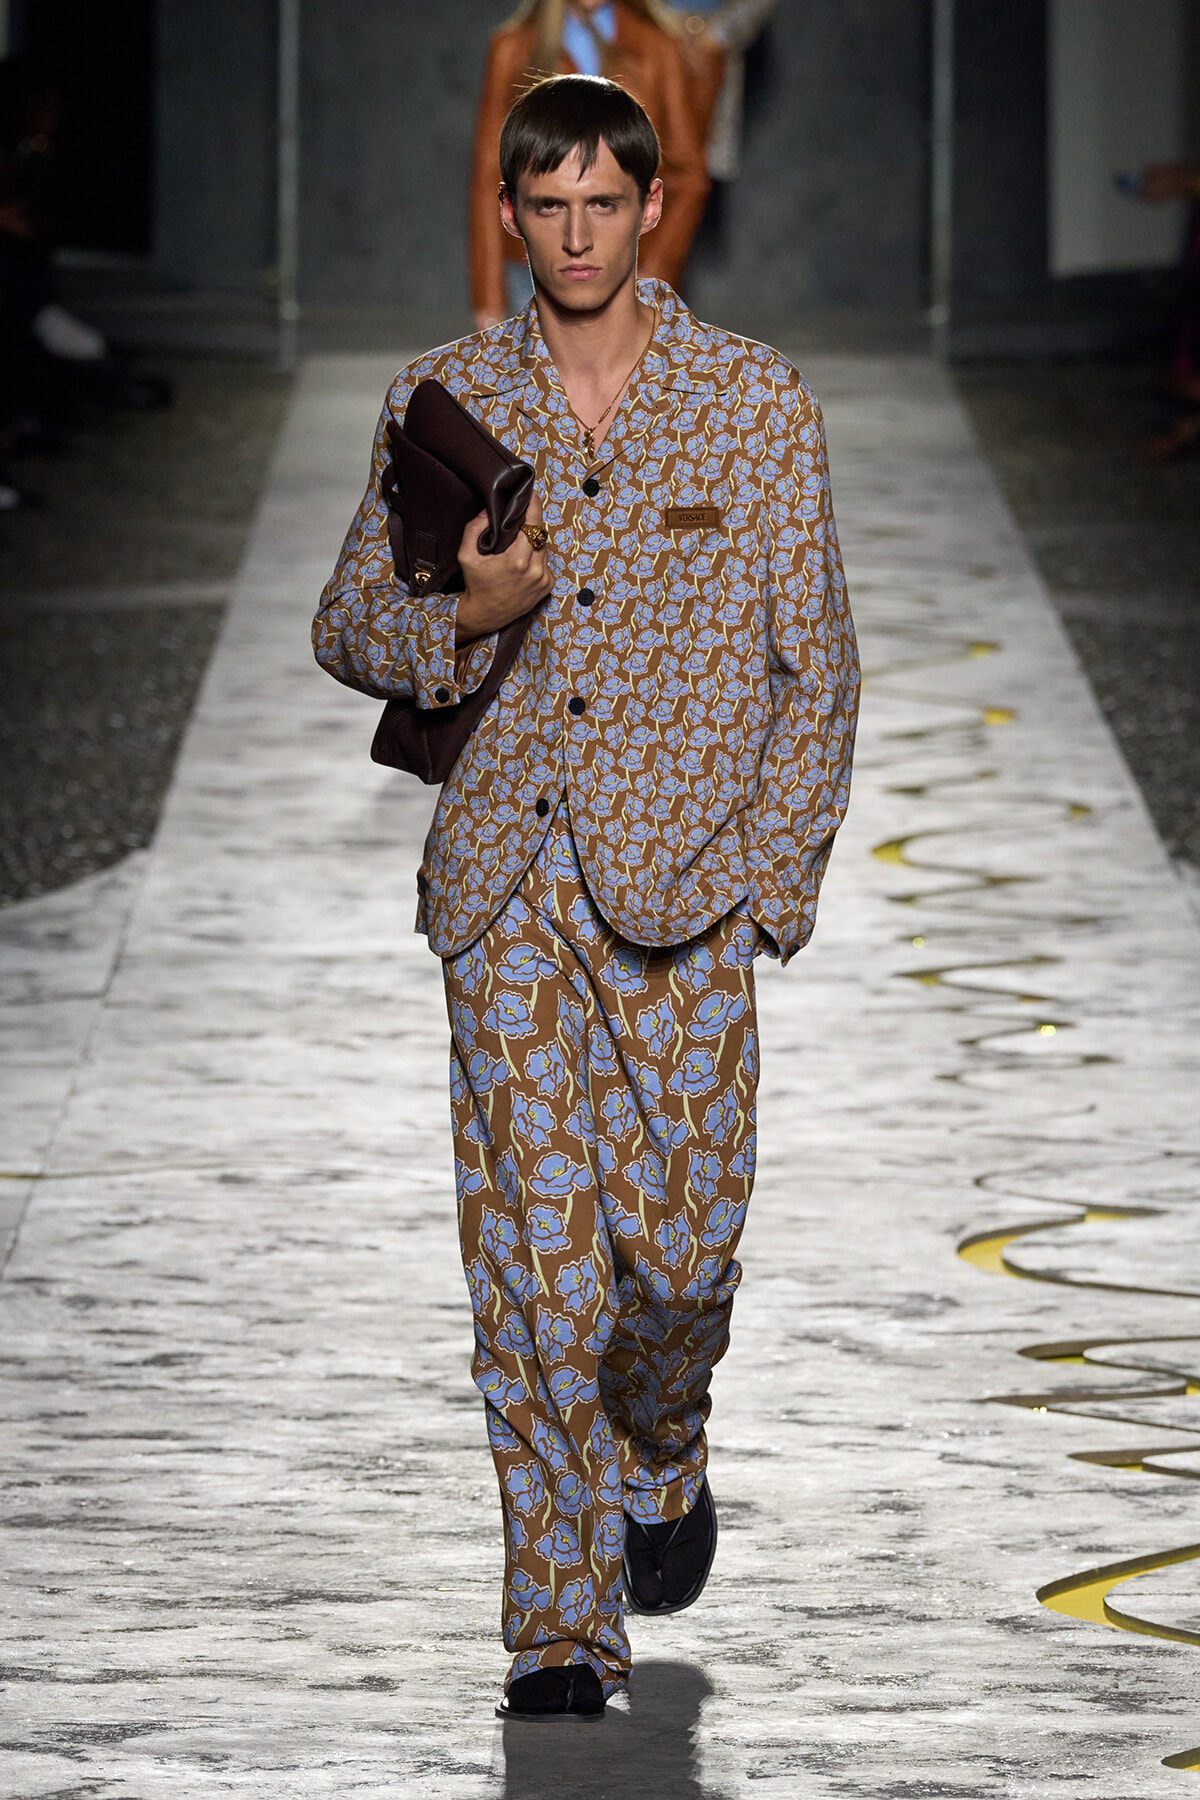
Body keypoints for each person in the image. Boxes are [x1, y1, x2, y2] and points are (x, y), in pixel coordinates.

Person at [314, 73, 858, 1721]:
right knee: (537, 1273)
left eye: (601, 203)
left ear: (650, 206)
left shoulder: (753, 406)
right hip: (507, 889)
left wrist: (776, 879)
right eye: (544, 205)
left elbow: (814, 666)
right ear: (510, 216)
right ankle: (558, 1627)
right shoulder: (442, 400)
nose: (573, 233)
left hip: (688, 893)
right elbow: (348, 624)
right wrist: (464, 619)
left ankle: (665, 1455)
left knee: (679, 1259)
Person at [470, 1, 712, 328]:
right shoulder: (513, 48)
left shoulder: (658, 46)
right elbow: (490, 176)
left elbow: (688, 172)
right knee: (539, 376)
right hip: (536, 264)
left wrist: (655, 268)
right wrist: (489, 298)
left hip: (629, 264)